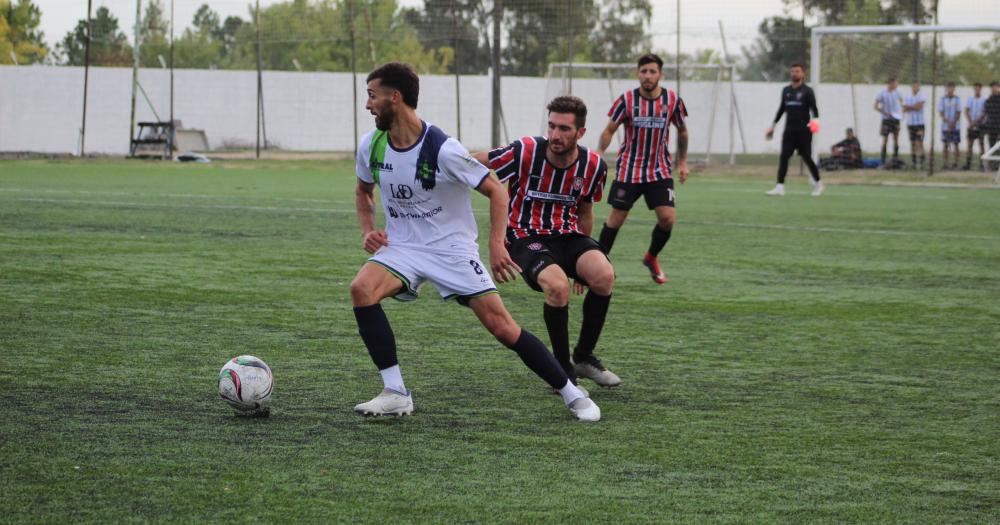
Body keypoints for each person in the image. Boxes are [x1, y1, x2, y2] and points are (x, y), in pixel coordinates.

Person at [349, 62, 599, 421]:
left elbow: (497, 191)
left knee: (503, 328)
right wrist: (367, 230)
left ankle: (571, 393)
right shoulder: (371, 144)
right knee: (361, 289)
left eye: (372, 96)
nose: (368, 105)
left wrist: (497, 245)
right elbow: (363, 191)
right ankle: (395, 392)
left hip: (451, 249)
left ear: (395, 97)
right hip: (403, 247)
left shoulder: (444, 149)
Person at [473, 96, 620, 389]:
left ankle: (583, 357)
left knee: (604, 276)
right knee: (556, 286)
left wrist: (586, 262)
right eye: (551, 126)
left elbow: (585, 213)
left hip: (566, 236)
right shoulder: (526, 150)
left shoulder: (593, 166)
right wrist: (437, 165)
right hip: (526, 237)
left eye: (564, 129)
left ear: (580, 132)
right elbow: (473, 161)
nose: (555, 135)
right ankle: (562, 370)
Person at [594, 53, 689, 285]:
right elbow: (609, 130)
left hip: (660, 170)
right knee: (617, 218)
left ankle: (651, 257)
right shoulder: (626, 100)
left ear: (660, 75)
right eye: (644, 71)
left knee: (667, 219)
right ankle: (599, 264)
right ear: (638, 73)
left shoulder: (673, 100)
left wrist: (683, 162)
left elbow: (682, 131)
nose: (647, 76)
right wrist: (599, 154)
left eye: (652, 71)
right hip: (629, 169)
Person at [764, 63, 823, 197]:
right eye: (792, 72)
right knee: (784, 157)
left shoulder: (808, 91)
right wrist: (772, 126)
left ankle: (819, 184)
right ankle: (779, 187)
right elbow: (781, 110)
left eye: (797, 71)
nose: (794, 74)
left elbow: (814, 109)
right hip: (789, 131)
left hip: (804, 132)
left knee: (807, 157)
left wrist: (815, 122)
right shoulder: (786, 91)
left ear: (802, 74)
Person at [874, 76, 904, 169]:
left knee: (896, 139)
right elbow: (875, 106)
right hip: (886, 119)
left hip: (895, 119)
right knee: (885, 140)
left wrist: (901, 113)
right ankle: (883, 161)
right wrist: (884, 112)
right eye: (895, 83)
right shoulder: (882, 93)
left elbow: (903, 103)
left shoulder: (898, 93)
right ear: (891, 83)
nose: (896, 85)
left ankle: (895, 159)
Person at [903, 81, 927, 170]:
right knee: (912, 143)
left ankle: (921, 161)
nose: (915, 88)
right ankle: (914, 162)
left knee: (919, 142)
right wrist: (913, 107)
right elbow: (904, 109)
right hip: (910, 124)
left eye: (917, 86)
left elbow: (919, 107)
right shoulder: (907, 97)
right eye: (914, 86)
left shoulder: (922, 96)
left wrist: (910, 107)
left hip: (920, 124)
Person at [964, 82, 987, 171]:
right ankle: (968, 164)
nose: (977, 90)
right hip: (971, 125)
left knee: (981, 145)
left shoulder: (984, 100)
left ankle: (982, 164)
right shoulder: (970, 99)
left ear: (981, 89)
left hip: (980, 126)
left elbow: (984, 113)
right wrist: (971, 122)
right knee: (970, 145)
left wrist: (977, 121)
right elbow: (966, 110)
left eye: (978, 88)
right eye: (975, 88)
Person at [939, 82, 962, 170]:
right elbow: (941, 112)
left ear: (954, 88)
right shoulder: (943, 99)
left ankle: (956, 163)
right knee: (945, 144)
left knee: (956, 144)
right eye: (948, 87)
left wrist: (953, 122)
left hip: (955, 126)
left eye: (952, 87)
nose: (950, 89)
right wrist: (948, 122)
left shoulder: (957, 99)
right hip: (945, 126)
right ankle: (945, 163)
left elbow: (959, 112)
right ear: (946, 88)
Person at [986, 81, 1000, 171]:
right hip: (992, 126)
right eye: (993, 87)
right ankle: (992, 165)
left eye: (996, 86)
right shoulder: (989, 100)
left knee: (998, 146)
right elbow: (987, 112)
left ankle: (998, 165)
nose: (994, 88)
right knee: (992, 145)